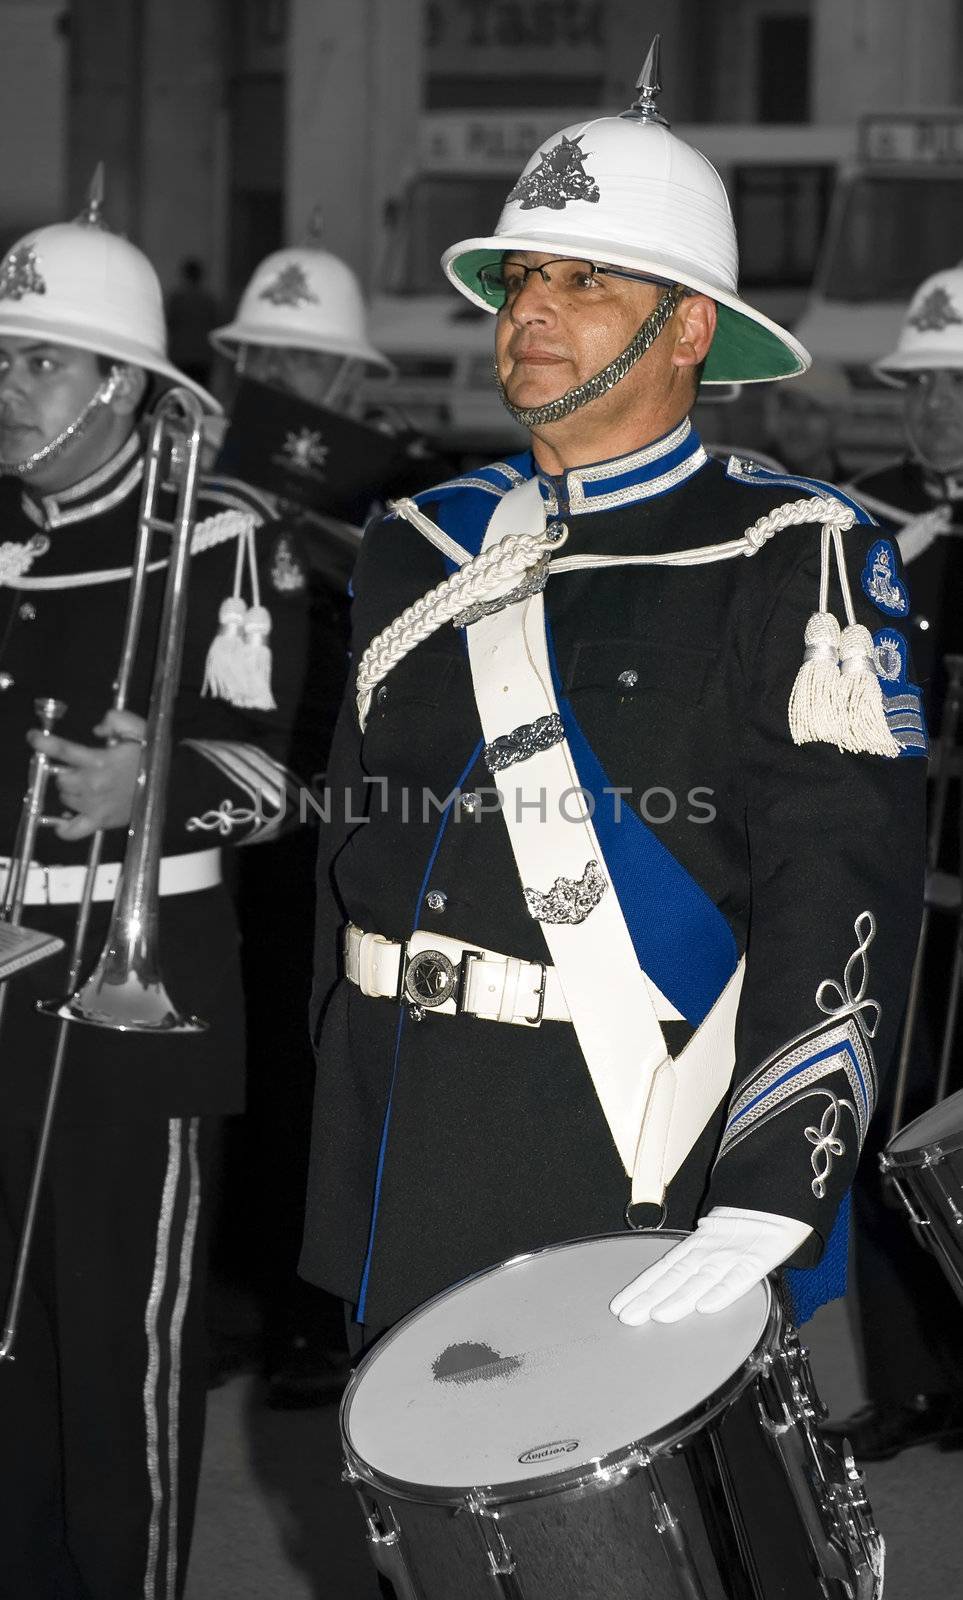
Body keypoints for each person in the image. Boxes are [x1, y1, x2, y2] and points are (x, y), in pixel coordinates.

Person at [301, 43, 924, 1405]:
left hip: (631, 1149)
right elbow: (355, 847)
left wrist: (773, 1178)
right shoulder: (417, 543)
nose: (534, 307)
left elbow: (838, 874)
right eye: (524, 276)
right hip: (401, 1141)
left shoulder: (785, 550)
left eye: (587, 279)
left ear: (687, 327)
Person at [0, 189, 313, 1599]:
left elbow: (275, 772)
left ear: (121, 382)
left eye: (42, 361)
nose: (11, 386)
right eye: (3, 358)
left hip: (142, 995)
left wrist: (156, 788)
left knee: (116, 1339)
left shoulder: (216, 533)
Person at [207, 237, 449, 1407]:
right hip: (205, 804)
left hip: (332, 807)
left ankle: (309, 1309)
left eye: (319, 370)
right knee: (214, 1047)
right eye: (272, 362)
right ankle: (224, 1295)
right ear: (239, 362)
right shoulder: (188, 482)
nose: (299, 389)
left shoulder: (402, 494)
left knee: (315, 1052)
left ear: (358, 384)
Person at [822, 266, 963, 1460]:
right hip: (888, 871)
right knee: (889, 1124)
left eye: (953, 388)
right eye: (919, 389)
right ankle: (911, 1379)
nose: (930, 413)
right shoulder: (859, 516)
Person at [165, 256, 220, 391]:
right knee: (201, 394)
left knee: (181, 393)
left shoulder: (177, 299)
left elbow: (170, 323)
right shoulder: (209, 300)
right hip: (203, 356)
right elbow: (216, 326)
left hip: (181, 355)